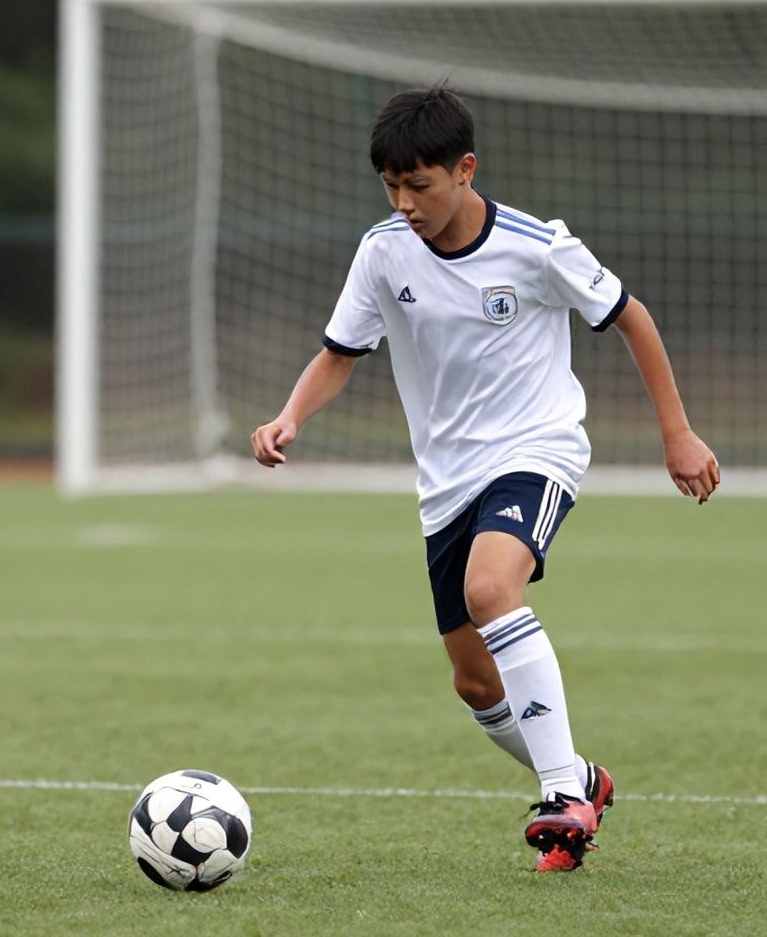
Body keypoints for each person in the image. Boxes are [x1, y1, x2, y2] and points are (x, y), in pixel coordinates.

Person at [250, 85, 719, 871]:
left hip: (537, 449)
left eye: (420, 185)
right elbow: (341, 351)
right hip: (446, 480)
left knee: (492, 589)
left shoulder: (538, 247)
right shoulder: (382, 251)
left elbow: (631, 316)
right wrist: (291, 415)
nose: (405, 203)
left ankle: (561, 798)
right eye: (392, 187)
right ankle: (580, 780)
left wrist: (678, 432)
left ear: (465, 170)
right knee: (474, 682)